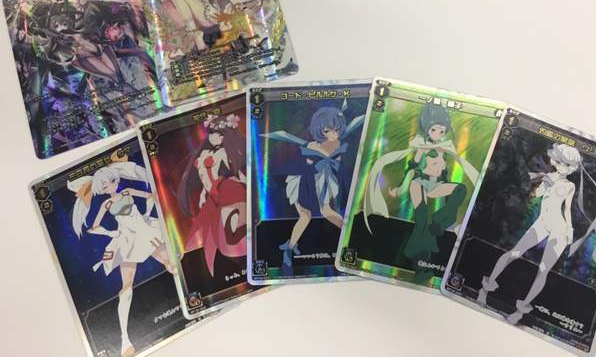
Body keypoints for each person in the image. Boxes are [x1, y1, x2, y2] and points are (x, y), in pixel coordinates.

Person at [477, 143, 596, 324]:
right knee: (513, 253)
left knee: (543, 270)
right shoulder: (548, 177)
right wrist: (546, 183)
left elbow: (567, 209)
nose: (562, 166)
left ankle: (519, 312)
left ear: (572, 167)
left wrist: (569, 230)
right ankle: (484, 290)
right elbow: (537, 194)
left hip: (559, 229)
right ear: (555, 160)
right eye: (560, 162)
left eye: (567, 164)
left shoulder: (569, 185)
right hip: (542, 223)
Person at [364, 102, 478, 284]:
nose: (439, 133)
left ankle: (439, 222)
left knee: (460, 189)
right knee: (421, 222)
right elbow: (412, 166)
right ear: (426, 127)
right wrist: (400, 189)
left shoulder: (445, 147)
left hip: (437, 184)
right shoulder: (420, 145)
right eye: (435, 129)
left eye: (442, 130)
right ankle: (419, 267)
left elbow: (447, 171)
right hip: (420, 183)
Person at [70, 154, 169, 357]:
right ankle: (125, 340)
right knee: (126, 289)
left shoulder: (127, 191)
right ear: (101, 189)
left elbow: (150, 195)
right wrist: (108, 233)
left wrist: (147, 212)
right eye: (105, 185)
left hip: (145, 233)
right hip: (127, 242)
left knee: (172, 264)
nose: (110, 186)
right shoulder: (106, 205)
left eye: (111, 181)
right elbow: (94, 226)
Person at [262, 105, 363, 276]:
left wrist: (344, 189)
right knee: (305, 216)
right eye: (327, 131)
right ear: (319, 130)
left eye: (336, 129)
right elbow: (309, 173)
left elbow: (337, 169)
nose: (333, 134)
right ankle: (289, 250)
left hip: (324, 180)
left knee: (326, 211)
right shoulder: (311, 146)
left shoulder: (339, 144)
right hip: (302, 181)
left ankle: (351, 237)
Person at [175, 113, 247, 276]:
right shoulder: (204, 153)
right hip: (214, 193)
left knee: (231, 234)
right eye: (213, 133)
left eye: (220, 134)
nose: (215, 137)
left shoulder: (222, 152)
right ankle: (254, 230)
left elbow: (231, 171)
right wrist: (203, 194)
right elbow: (205, 177)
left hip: (227, 189)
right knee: (224, 233)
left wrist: (245, 182)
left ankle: (257, 231)